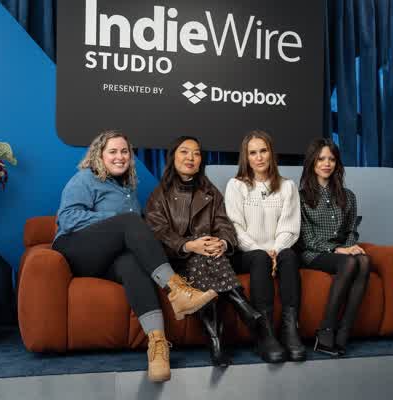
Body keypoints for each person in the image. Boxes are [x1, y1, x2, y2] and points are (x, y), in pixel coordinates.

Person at [52, 131, 217, 382]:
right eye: (113, 151)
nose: (120, 157)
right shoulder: (85, 179)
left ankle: (157, 344)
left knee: (132, 264)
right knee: (130, 221)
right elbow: (67, 218)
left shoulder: (127, 188)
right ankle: (177, 290)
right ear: (99, 155)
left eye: (125, 152)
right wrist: (118, 220)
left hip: (107, 259)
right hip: (77, 250)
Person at [144, 136, 263, 368]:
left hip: (209, 257)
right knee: (200, 253)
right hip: (176, 259)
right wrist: (188, 245)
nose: (191, 157)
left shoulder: (210, 191)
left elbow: (224, 225)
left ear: (201, 161)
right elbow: (158, 233)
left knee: (207, 254)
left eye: (196, 153)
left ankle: (216, 343)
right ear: (173, 157)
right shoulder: (159, 195)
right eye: (184, 152)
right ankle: (242, 305)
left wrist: (222, 243)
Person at [224, 130, 306, 363]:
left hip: (277, 251)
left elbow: (290, 227)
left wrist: (276, 251)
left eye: (263, 151)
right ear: (246, 157)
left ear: (271, 153)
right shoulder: (236, 186)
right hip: (246, 253)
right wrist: (260, 251)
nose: (259, 157)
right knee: (259, 257)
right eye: (253, 153)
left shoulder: (287, 186)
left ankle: (290, 331)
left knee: (289, 255)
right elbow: (235, 227)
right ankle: (265, 335)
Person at [297, 138, 370, 356]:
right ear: (312, 163)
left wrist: (350, 247)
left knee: (364, 260)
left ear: (337, 163)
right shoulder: (301, 197)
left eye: (331, 159)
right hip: (313, 253)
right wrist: (338, 250)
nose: (326, 164)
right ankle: (326, 330)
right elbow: (305, 239)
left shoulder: (348, 196)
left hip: (341, 252)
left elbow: (351, 231)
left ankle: (344, 332)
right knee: (349, 263)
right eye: (321, 159)